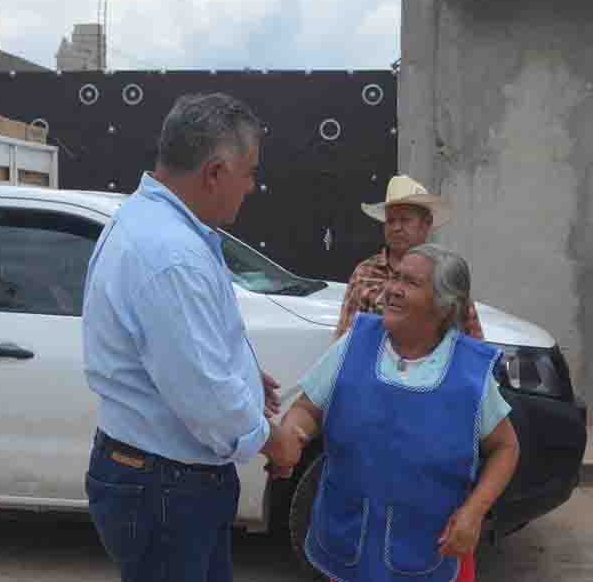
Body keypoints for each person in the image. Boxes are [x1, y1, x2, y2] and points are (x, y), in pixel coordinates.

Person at [82, 93, 307, 582]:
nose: (251, 187)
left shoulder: (154, 225)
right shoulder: (170, 254)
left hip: (160, 479)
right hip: (165, 486)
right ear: (215, 172)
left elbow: (189, 356)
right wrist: (275, 441)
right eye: (249, 173)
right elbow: (204, 395)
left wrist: (245, 379)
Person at [277, 243, 520, 582]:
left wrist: (474, 512)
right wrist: (292, 433)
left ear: (443, 305)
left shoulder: (469, 372)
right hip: (350, 539)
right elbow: (307, 408)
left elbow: (505, 448)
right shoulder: (355, 343)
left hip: (431, 550)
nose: (392, 289)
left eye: (411, 283)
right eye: (395, 277)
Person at [336, 175, 484, 340]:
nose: (396, 228)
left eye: (405, 220)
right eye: (390, 221)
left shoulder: (444, 272)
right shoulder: (365, 273)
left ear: (427, 224)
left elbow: (472, 341)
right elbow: (345, 340)